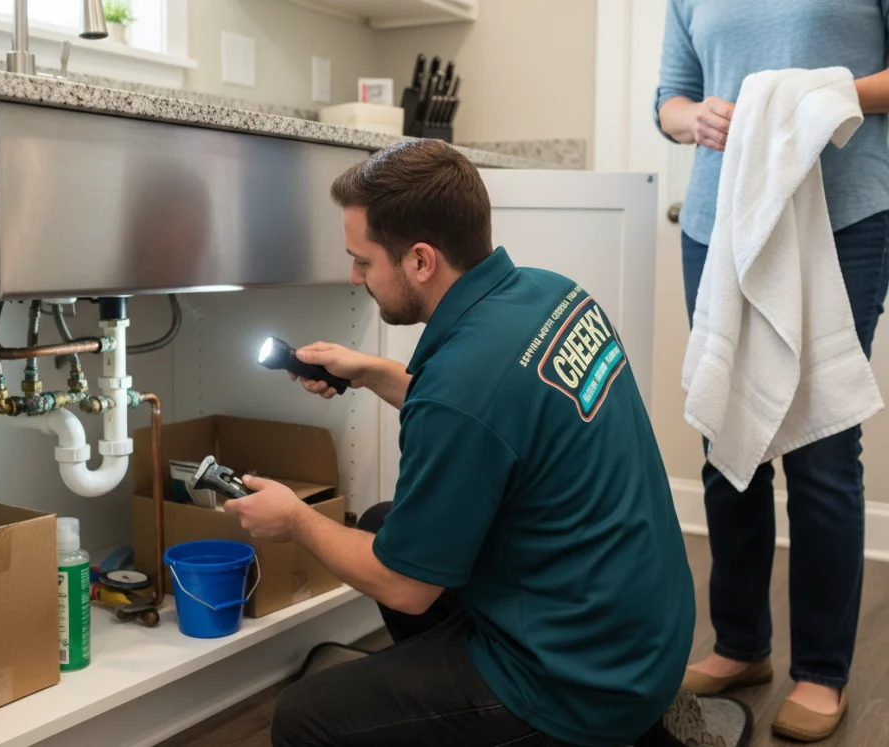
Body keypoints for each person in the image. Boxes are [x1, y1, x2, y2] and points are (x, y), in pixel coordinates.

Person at [222, 138, 696, 747]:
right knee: (382, 522)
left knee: (303, 718)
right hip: (640, 636)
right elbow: (494, 416)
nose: (355, 276)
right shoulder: (551, 294)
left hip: (584, 685)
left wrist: (296, 521)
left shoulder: (461, 392)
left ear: (421, 260)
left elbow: (406, 588)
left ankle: (519, 724)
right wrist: (368, 371)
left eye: (364, 261)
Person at [655, 0, 889, 741]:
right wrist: (699, 121)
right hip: (718, 221)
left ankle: (822, 669)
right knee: (729, 439)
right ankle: (740, 644)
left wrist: (817, 98)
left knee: (821, 451)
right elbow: (669, 99)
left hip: (845, 216)